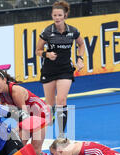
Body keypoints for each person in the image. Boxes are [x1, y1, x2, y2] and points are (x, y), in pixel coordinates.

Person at [36, 0, 85, 137]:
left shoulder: (73, 31)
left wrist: (80, 59)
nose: (57, 18)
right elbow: (38, 51)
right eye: (55, 15)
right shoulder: (47, 32)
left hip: (65, 70)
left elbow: (81, 45)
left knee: (61, 100)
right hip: (49, 70)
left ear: (65, 16)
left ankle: (62, 135)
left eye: (59, 15)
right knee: (50, 105)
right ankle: (46, 129)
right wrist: (47, 54)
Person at [0, 69, 52, 155]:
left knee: (35, 152)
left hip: (41, 115)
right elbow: (3, 110)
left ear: (4, 80)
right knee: (17, 148)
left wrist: (14, 130)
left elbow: (24, 117)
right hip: (28, 117)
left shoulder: (15, 91)